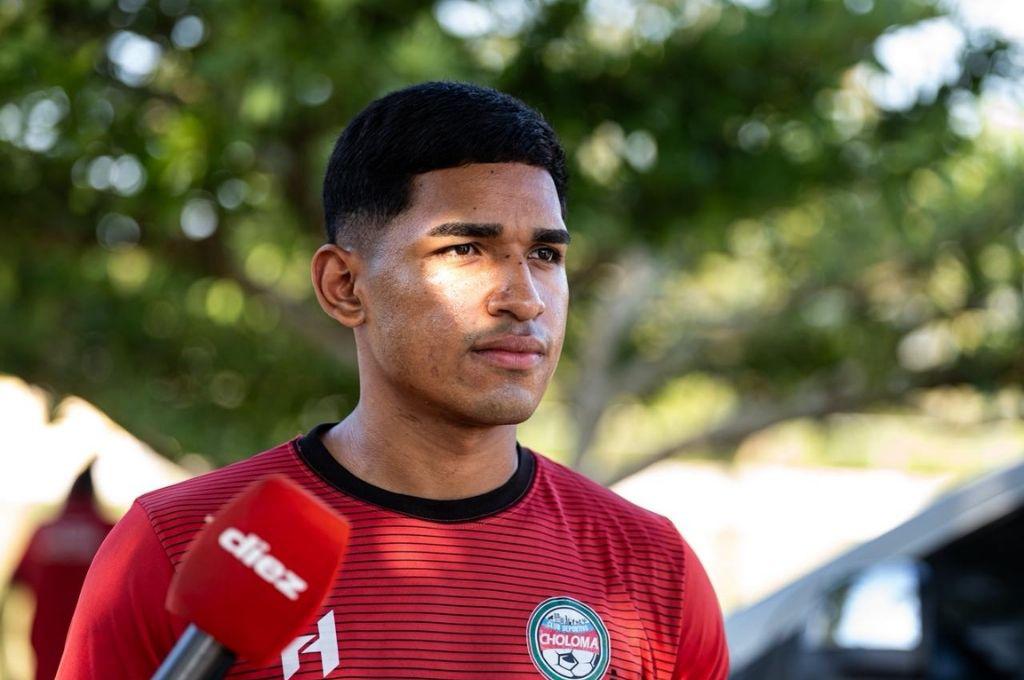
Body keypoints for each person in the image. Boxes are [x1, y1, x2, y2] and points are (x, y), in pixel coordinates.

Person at [58, 82, 729, 679]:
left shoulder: (652, 570)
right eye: (466, 248)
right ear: (344, 286)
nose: (524, 299)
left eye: (546, 254)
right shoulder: (177, 545)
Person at [5, 462, 113, 680]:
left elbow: (16, 581)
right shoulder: (107, 531)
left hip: (46, 630)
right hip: (89, 634)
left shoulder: (44, 531)